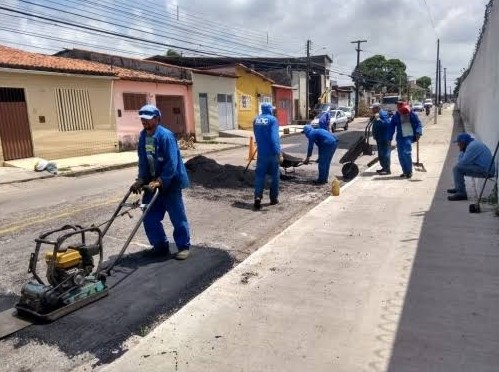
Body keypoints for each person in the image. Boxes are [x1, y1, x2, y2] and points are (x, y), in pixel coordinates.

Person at [130, 104, 191, 260]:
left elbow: (172, 162)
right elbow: (143, 160)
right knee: (149, 216)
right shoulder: (143, 136)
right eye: (143, 119)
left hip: (170, 183)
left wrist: (161, 180)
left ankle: (183, 247)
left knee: (177, 217)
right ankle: (160, 245)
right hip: (152, 183)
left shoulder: (166, 136)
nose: (144, 122)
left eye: (148, 119)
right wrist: (141, 179)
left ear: (157, 119)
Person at [447, 133, 496, 201]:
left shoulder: (472, 147)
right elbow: (461, 161)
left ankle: (461, 193)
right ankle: (459, 188)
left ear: (463, 142)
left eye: (459, 143)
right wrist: (462, 151)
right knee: (458, 168)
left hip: (487, 171)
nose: (458, 145)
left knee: (457, 169)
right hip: (483, 168)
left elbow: (463, 163)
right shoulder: (471, 145)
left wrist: (462, 153)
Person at [253, 102, 281, 210]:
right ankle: (273, 198)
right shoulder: (273, 120)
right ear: (269, 109)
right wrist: (278, 152)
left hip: (261, 153)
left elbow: (256, 135)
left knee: (260, 176)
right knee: (275, 176)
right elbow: (274, 138)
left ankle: (257, 197)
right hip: (272, 153)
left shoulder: (256, 120)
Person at [389, 103, 423, 178]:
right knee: (400, 155)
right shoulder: (395, 116)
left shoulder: (412, 114)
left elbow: (418, 124)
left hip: (408, 135)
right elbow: (391, 127)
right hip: (400, 137)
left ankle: (409, 171)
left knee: (406, 153)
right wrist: (389, 138)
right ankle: (405, 172)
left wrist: (418, 132)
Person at [370, 103, 392, 175]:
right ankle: (384, 167)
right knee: (381, 154)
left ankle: (387, 169)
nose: (372, 110)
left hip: (385, 137)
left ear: (377, 108)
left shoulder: (383, 114)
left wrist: (378, 119)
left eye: (373, 109)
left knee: (385, 154)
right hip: (379, 137)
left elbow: (387, 124)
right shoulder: (377, 115)